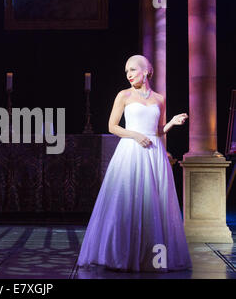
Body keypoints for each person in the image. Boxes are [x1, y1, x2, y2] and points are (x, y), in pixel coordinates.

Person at [77, 55, 192, 272]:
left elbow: (157, 131)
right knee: (128, 203)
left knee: (153, 206)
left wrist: (171, 123)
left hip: (154, 153)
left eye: (133, 70)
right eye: (126, 71)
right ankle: (121, 256)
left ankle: (152, 258)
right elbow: (112, 126)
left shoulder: (159, 98)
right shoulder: (124, 95)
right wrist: (135, 136)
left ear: (147, 71)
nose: (129, 75)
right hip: (131, 152)